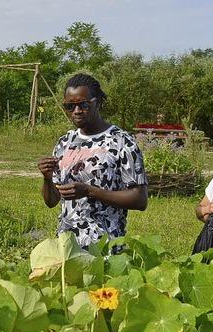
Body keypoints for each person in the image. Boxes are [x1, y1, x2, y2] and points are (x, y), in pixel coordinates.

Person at [38, 73, 148, 248]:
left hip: (105, 246)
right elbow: (52, 201)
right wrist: (46, 178)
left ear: (97, 102)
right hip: (68, 247)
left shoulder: (121, 141)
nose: (77, 111)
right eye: (70, 106)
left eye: (83, 104)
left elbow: (140, 200)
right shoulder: (65, 142)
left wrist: (90, 191)